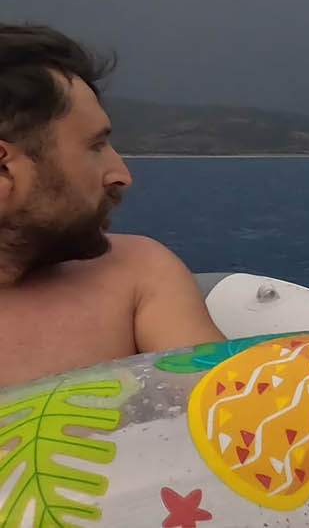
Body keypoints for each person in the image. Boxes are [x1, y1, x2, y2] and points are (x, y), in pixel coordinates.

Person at [0, 23, 225, 387]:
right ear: (3, 167)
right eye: (95, 147)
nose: (122, 174)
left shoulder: (138, 274)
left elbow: (223, 411)